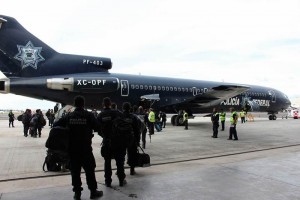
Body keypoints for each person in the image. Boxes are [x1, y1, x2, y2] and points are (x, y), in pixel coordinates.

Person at [54, 96, 103, 200]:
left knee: (75, 172)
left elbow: (56, 124)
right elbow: (98, 127)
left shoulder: (69, 116)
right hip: (86, 149)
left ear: (75, 104)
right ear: (83, 104)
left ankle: (77, 193)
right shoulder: (88, 115)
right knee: (90, 171)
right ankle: (93, 192)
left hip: (73, 150)